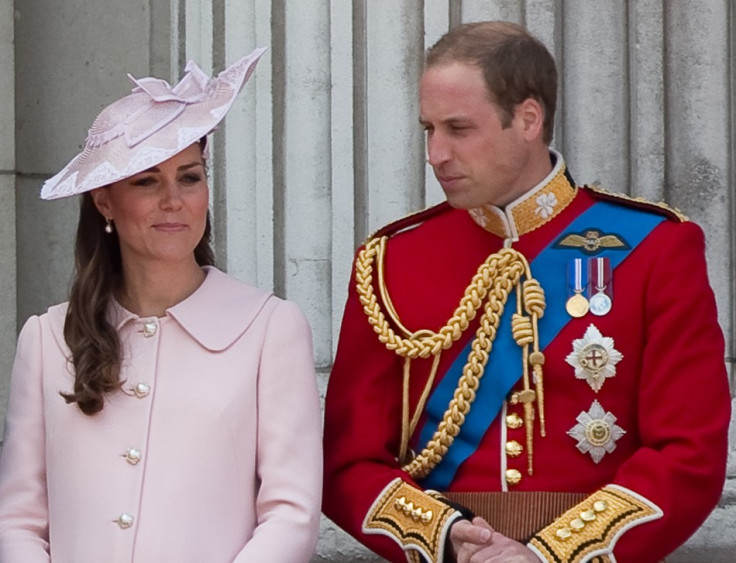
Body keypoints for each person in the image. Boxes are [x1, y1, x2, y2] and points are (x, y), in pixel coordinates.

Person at [322, 21, 731, 563]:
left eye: (459, 128)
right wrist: (446, 535)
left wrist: (551, 554)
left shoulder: (655, 247)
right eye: (429, 129)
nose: (435, 153)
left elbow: (689, 452)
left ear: (528, 119)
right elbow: (346, 461)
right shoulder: (393, 259)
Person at [0, 49, 323, 562]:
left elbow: (291, 513)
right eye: (147, 180)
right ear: (105, 200)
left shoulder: (270, 329)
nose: (174, 200)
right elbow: (18, 520)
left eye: (189, 177)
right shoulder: (45, 339)